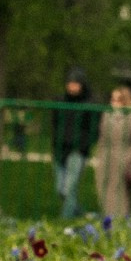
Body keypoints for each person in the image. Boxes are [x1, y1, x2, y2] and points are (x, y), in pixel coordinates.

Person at [52, 67, 99, 220]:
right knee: (60, 189)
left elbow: (93, 129)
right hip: (60, 149)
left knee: (69, 188)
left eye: (75, 83)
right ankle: (80, 213)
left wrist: (83, 145)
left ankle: (64, 222)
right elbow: (55, 124)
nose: (72, 86)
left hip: (78, 151)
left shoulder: (90, 104)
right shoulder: (60, 101)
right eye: (70, 83)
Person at [95, 85, 131, 219]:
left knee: (119, 195)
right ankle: (107, 220)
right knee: (102, 190)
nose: (114, 102)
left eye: (118, 99)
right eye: (112, 99)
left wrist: (128, 157)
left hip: (123, 161)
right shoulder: (107, 115)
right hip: (105, 159)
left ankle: (120, 222)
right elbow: (102, 138)